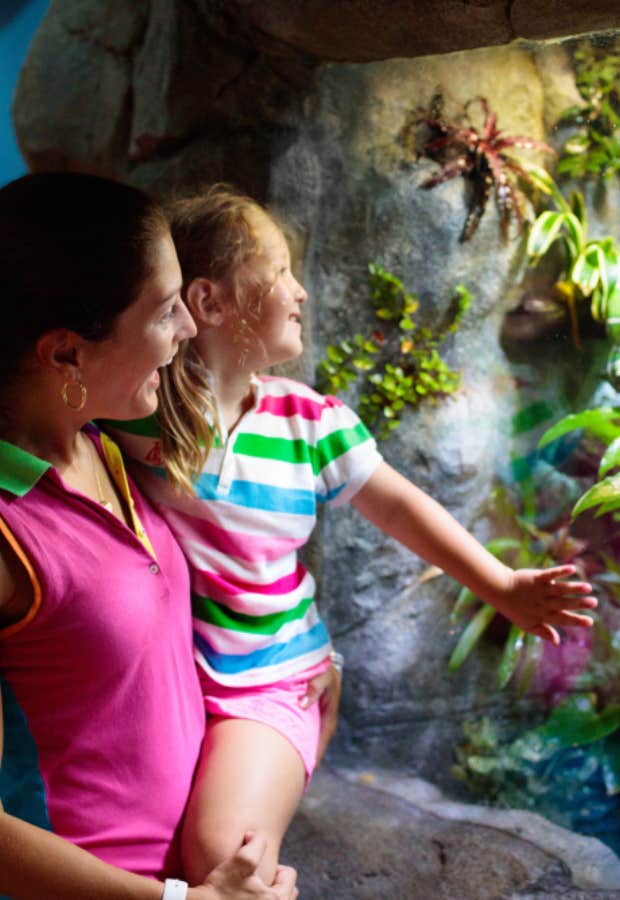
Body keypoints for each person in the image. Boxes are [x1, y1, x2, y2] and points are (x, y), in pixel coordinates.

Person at [108, 183, 599, 890]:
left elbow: (399, 507)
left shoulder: (311, 422)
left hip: (273, 680)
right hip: (180, 680)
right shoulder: (137, 415)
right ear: (208, 303)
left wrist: (502, 586)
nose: (300, 291)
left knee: (222, 854)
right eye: (279, 271)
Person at [0, 172, 299, 900]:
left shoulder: (101, 442)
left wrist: (302, 666)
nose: (190, 329)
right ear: (66, 354)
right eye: (167, 311)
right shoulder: (9, 533)